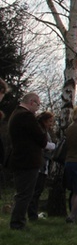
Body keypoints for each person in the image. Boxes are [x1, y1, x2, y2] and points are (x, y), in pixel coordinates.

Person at [8, 92, 50, 230]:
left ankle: (17, 220)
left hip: (19, 158)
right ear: (31, 102)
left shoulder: (15, 114)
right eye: (37, 105)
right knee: (25, 194)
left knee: (21, 193)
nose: (38, 109)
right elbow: (41, 139)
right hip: (27, 160)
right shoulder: (26, 116)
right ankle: (18, 223)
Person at [27, 111, 56, 221]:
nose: (51, 124)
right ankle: (32, 215)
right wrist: (54, 146)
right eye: (49, 121)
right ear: (44, 121)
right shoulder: (40, 131)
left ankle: (33, 213)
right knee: (36, 191)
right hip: (40, 165)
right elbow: (43, 145)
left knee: (37, 191)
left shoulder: (44, 131)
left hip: (43, 164)